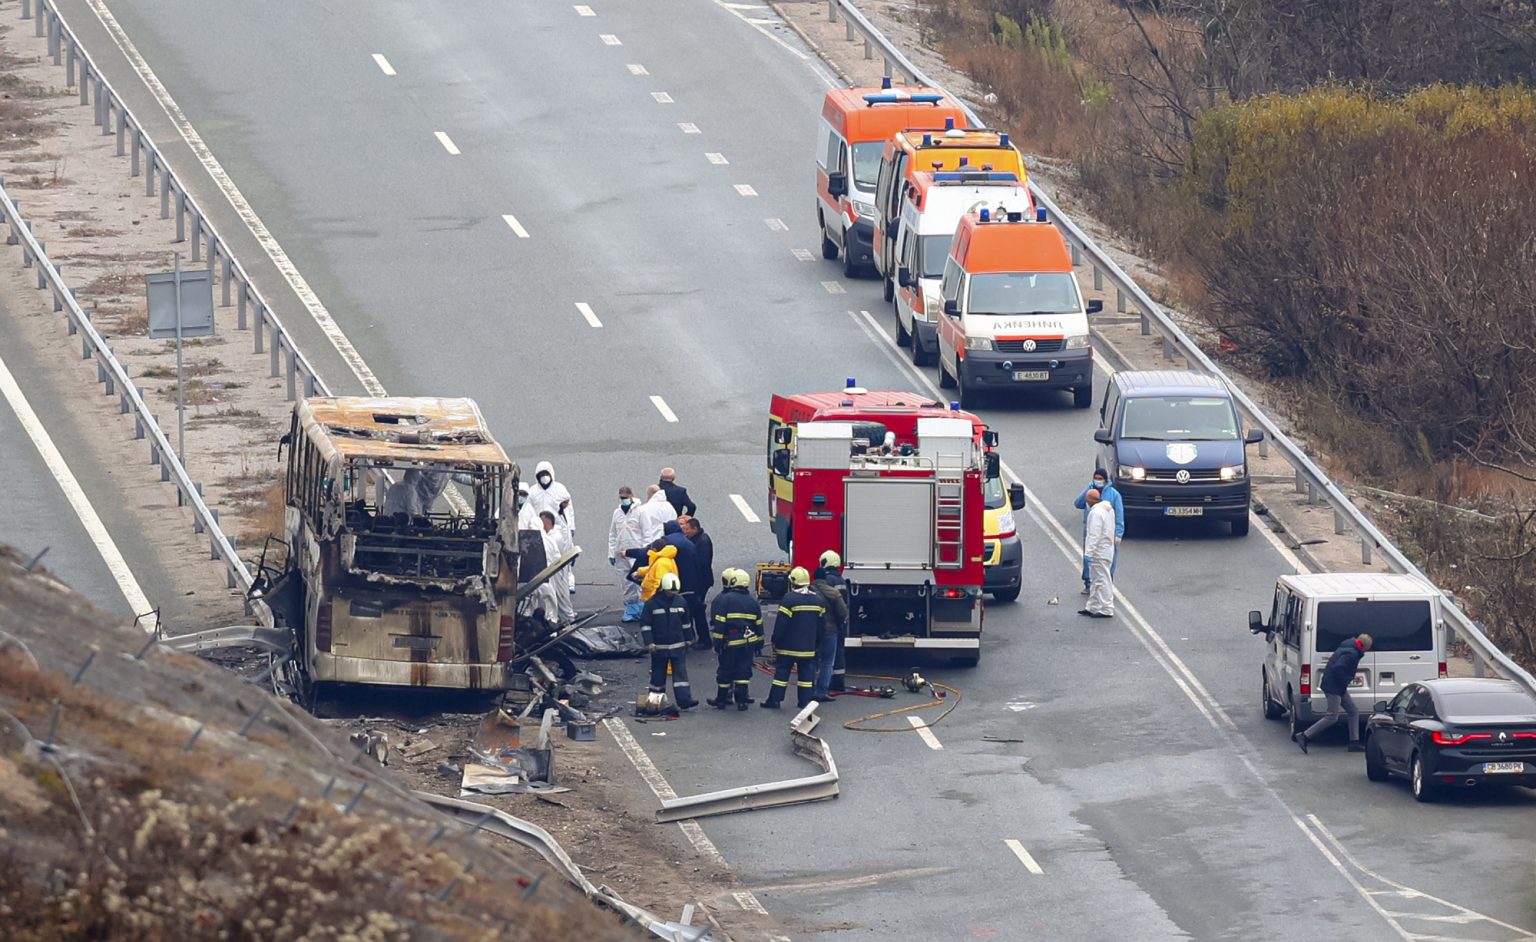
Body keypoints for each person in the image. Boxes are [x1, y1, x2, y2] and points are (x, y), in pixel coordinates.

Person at [1296, 633, 1374, 753]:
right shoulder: (1352, 653)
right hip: (1334, 687)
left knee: (1353, 711)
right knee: (1332, 717)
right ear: (1364, 647)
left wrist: (1348, 679)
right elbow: (1338, 668)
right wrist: (1346, 679)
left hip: (1336, 685)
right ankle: (1305, 736)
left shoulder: (1349, 645)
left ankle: (1354, 742)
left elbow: (1338, 667)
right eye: (1368, 649)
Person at [762, 567, 825, 710]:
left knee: (781, 675)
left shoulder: (789, 599)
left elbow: (781, 624)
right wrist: (817, 644)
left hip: (787, 648)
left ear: (793, 582)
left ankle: (774, 700)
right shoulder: (818, 601)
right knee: (806, 678)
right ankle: (804, 702)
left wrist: (775, 640)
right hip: (808, 648)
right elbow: (822, 627)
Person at [707, 568, 763, 710]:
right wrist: (759, 644)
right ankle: (742, 700)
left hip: (730, 643)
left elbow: (720, 624)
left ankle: (721, 700)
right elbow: (759, 624)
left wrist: (717, 643)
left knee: (725, 671)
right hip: (748, 643)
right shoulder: (753, 602)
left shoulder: (726, 599)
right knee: (743, 671)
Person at [641, 572, 698, 709]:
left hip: (678, 647)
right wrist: (650, 643)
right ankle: (655, 703)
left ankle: (685, 701)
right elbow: (645, 625)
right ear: (662, 589)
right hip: (659, 648)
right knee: (658, 677)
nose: (671, 594)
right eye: (669, 592)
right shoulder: (651, 604)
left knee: (681, 676)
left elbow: (686, 623)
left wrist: (689, 639)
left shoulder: (681, 602)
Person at [529, 462, 576, 595]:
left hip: (559, 529)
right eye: (541, 475)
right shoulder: (533, 492)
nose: (544, 477)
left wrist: (571, 526)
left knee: (563, 557)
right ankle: (545, 582)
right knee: (543, 557)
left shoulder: (560, 489)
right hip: (540, 529)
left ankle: (568, 581)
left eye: (546, 474)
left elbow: (569, 510)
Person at [1073, 469, 1123, 594]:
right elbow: (1078, 504)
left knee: (1107, 559)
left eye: (1100, 478)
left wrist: (1118, 534)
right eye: (1096, 478)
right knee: (1088, 558)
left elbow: (1119, 515)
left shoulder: (1114, 495)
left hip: (1107, 534)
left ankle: (1107, 582)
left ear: (1105, 480)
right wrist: (1088, 491)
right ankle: (1088, 583)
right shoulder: (1090, 490)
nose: (1098, 481)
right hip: (1091, 531)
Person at [810, 551, 849, 702]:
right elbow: (843, 609)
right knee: (830, 659)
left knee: (813, 659)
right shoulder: (840, 581)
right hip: (833, 628)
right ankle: (831, 686)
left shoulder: (821, 583)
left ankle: (809, 688)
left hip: (816, 628)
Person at [608, 487, 645, 622]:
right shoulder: (617, 513)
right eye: (621, 497)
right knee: (626, 582)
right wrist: (611, 553)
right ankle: (630, 609)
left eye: (625, 497)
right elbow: (612, 534)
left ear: (631, 495)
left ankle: (642, 609)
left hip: (637, 552)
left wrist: (645, 553)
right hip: (621, 554)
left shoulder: (640, 512)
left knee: (640, 580)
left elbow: (647, 533)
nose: (624, 500)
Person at [1079, 490, 1116, 618]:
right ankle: (1092, 606)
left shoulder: (1095, 513)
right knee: (1096, 579)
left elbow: (1094, 535)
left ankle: (1107, 608)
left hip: (1099, 552)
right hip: (1105, 550)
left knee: (1102, 579)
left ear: (1090, 499)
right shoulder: (1107, 510)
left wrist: (1088, 553)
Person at [680, 516, 715, 651]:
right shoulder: (695, 539)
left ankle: (704, 639)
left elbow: (703, 564)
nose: (686, 532)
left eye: (688, 529)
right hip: (697, 582)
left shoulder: (703, 541)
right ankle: (697, 637)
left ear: (695, 528)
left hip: (701, 582)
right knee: (695, 610)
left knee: (697, 610)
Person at [538, 512, 577, 625]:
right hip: (554, 570)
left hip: (557, 571)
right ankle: (564, 618)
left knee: (561, 595)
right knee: (556, 595)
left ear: (548, 521)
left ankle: (569, 619)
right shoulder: (551, 535)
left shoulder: (554, 537)